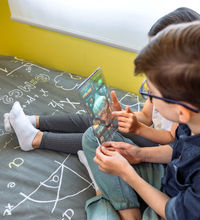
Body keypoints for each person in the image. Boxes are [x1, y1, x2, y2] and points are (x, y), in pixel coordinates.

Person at [79, 22, 200, 220]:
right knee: (93, 138)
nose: (149, 99)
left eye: (151, 93)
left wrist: (128, 176)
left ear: (181, 111)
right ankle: (130, 217)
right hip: (172, 182)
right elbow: (177, 150)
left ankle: (105, 199)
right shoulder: (192, 124)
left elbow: (174, 212)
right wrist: (138, 154)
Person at [4, 8, 200, 154]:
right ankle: (34, 121)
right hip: (148, 131)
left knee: (104, 129)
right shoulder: (157, 85)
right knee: (105, 117)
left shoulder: (184, 99)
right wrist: (125, 116)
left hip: (160, 147)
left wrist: (137, 129)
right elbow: (147, 117)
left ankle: (36, 139)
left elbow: (171, 140)